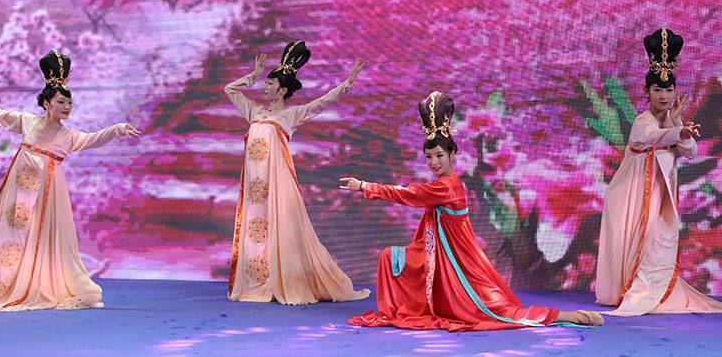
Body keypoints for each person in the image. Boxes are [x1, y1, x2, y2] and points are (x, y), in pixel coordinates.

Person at [339, 91, 603, 330]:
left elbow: (408, 194)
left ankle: (571, 316)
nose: (434, 162)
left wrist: (364, 186)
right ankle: (409, 308)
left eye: (439, 156)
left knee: (495, 311)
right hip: (438, 255)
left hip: (455, 262)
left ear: (452, 154)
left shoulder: (447, 186)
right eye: (429, 157)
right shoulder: (444, 184)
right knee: (390, 257)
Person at [0, 50, 140, 311]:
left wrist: (117, 129)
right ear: (47, 104)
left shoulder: (68, 137)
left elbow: (93, 139)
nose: (66, 107)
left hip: (48, 195)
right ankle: (3, 285)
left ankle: (38, 284)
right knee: (12, 235)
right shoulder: (27, 122)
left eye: (69, 103)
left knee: (45, 237)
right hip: (20, 190)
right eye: (61, 102)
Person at [224, 41, 369, 304]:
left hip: (277, 183)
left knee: (283, 229)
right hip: (255, 188)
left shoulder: (290, 115)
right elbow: (229, 89)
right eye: (265, 82)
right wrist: (252, 76)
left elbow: (320, 103)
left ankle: (285, 280)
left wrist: (346, 83)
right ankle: (258, 283)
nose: (264, 86)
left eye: (269, 83)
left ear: (282, 90)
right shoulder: (254, 111)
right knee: (256, 230)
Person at [596, 28, 722, 315]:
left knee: (657, 242)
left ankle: (653, 290)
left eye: (668, 90)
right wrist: (678, 130)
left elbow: (690, 152)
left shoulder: (671, 120)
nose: (664, 96)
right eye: (657, 90)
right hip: (633, 192)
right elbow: (653, 138)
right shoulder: (643, 121)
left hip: (658, 195)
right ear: (647, 92)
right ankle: (630, 291)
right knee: (638, 242)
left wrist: (680, 127)